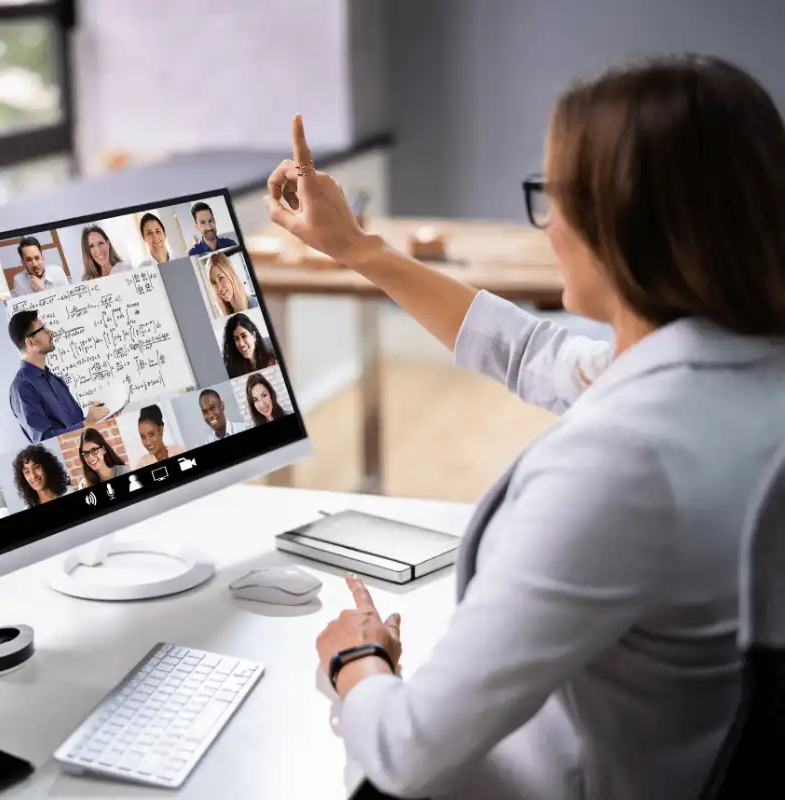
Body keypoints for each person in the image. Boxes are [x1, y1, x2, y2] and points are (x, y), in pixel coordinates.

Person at [266, 55, 785, 800]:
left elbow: (408, 751)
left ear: (625, 222)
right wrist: (356, 249)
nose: (548, 227)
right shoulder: (746, 374)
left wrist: (356, 662)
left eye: (554, 198)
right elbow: (531, 350)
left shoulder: (624, 467)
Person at [8, 309, 108, 442]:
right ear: (30, 342)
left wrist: (97, 418)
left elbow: (77, 425)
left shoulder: (55, 380)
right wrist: (87, 422)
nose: (50, 333)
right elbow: (44, 440)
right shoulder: (22, 387)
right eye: (43, 329)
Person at [221, 312, 278, 378]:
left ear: (254, 336)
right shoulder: (232, 372)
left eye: (244, 336)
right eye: (236, 339)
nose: (241, 344)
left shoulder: (274, 361)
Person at [207, 251, 259, 315]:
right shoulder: (225, 315)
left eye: (221, 278)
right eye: (214, 282)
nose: (218, 287)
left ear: (231, 275)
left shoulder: (256, 306)